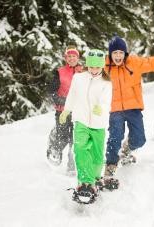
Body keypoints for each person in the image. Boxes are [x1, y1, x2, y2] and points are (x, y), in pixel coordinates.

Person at [103, 34, 154, 189]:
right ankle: (110, 165)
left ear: (125, 53)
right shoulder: (105, 67)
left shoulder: (134, 63)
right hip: (115, 110)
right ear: (110, 54)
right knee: (115, 137)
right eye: (115, 53)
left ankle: (127, 150)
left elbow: (153, 62)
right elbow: (91, 72)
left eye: (120, 53)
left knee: (140, 139)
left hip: (133, 107)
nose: (118, 56)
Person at [59, 49, 112, 204]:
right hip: (81, 120)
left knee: (96, 155)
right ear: (87, 65)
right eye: (91, 67)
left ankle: (95, 178)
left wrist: (100, 107)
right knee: (80, 148)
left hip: (98, 123)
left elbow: (106, 101)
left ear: (102, 66)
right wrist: (66, 110)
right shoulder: (79, 78)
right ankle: (84, 182)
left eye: (97, 67)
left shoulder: (106, 82)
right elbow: (72, 95)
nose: (94, 70)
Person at [46, 45, 83, 174]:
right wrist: (58, 99)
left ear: (78, 57)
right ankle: (54, 147)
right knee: (63, 136)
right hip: (62, 110)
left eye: (74, 56)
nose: (72, 58)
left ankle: (71, 163)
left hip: (79, 111)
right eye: (69, 56)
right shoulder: (60, 72)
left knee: (75, 137)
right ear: (65, 58)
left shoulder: (84, 71)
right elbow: (51, 90)